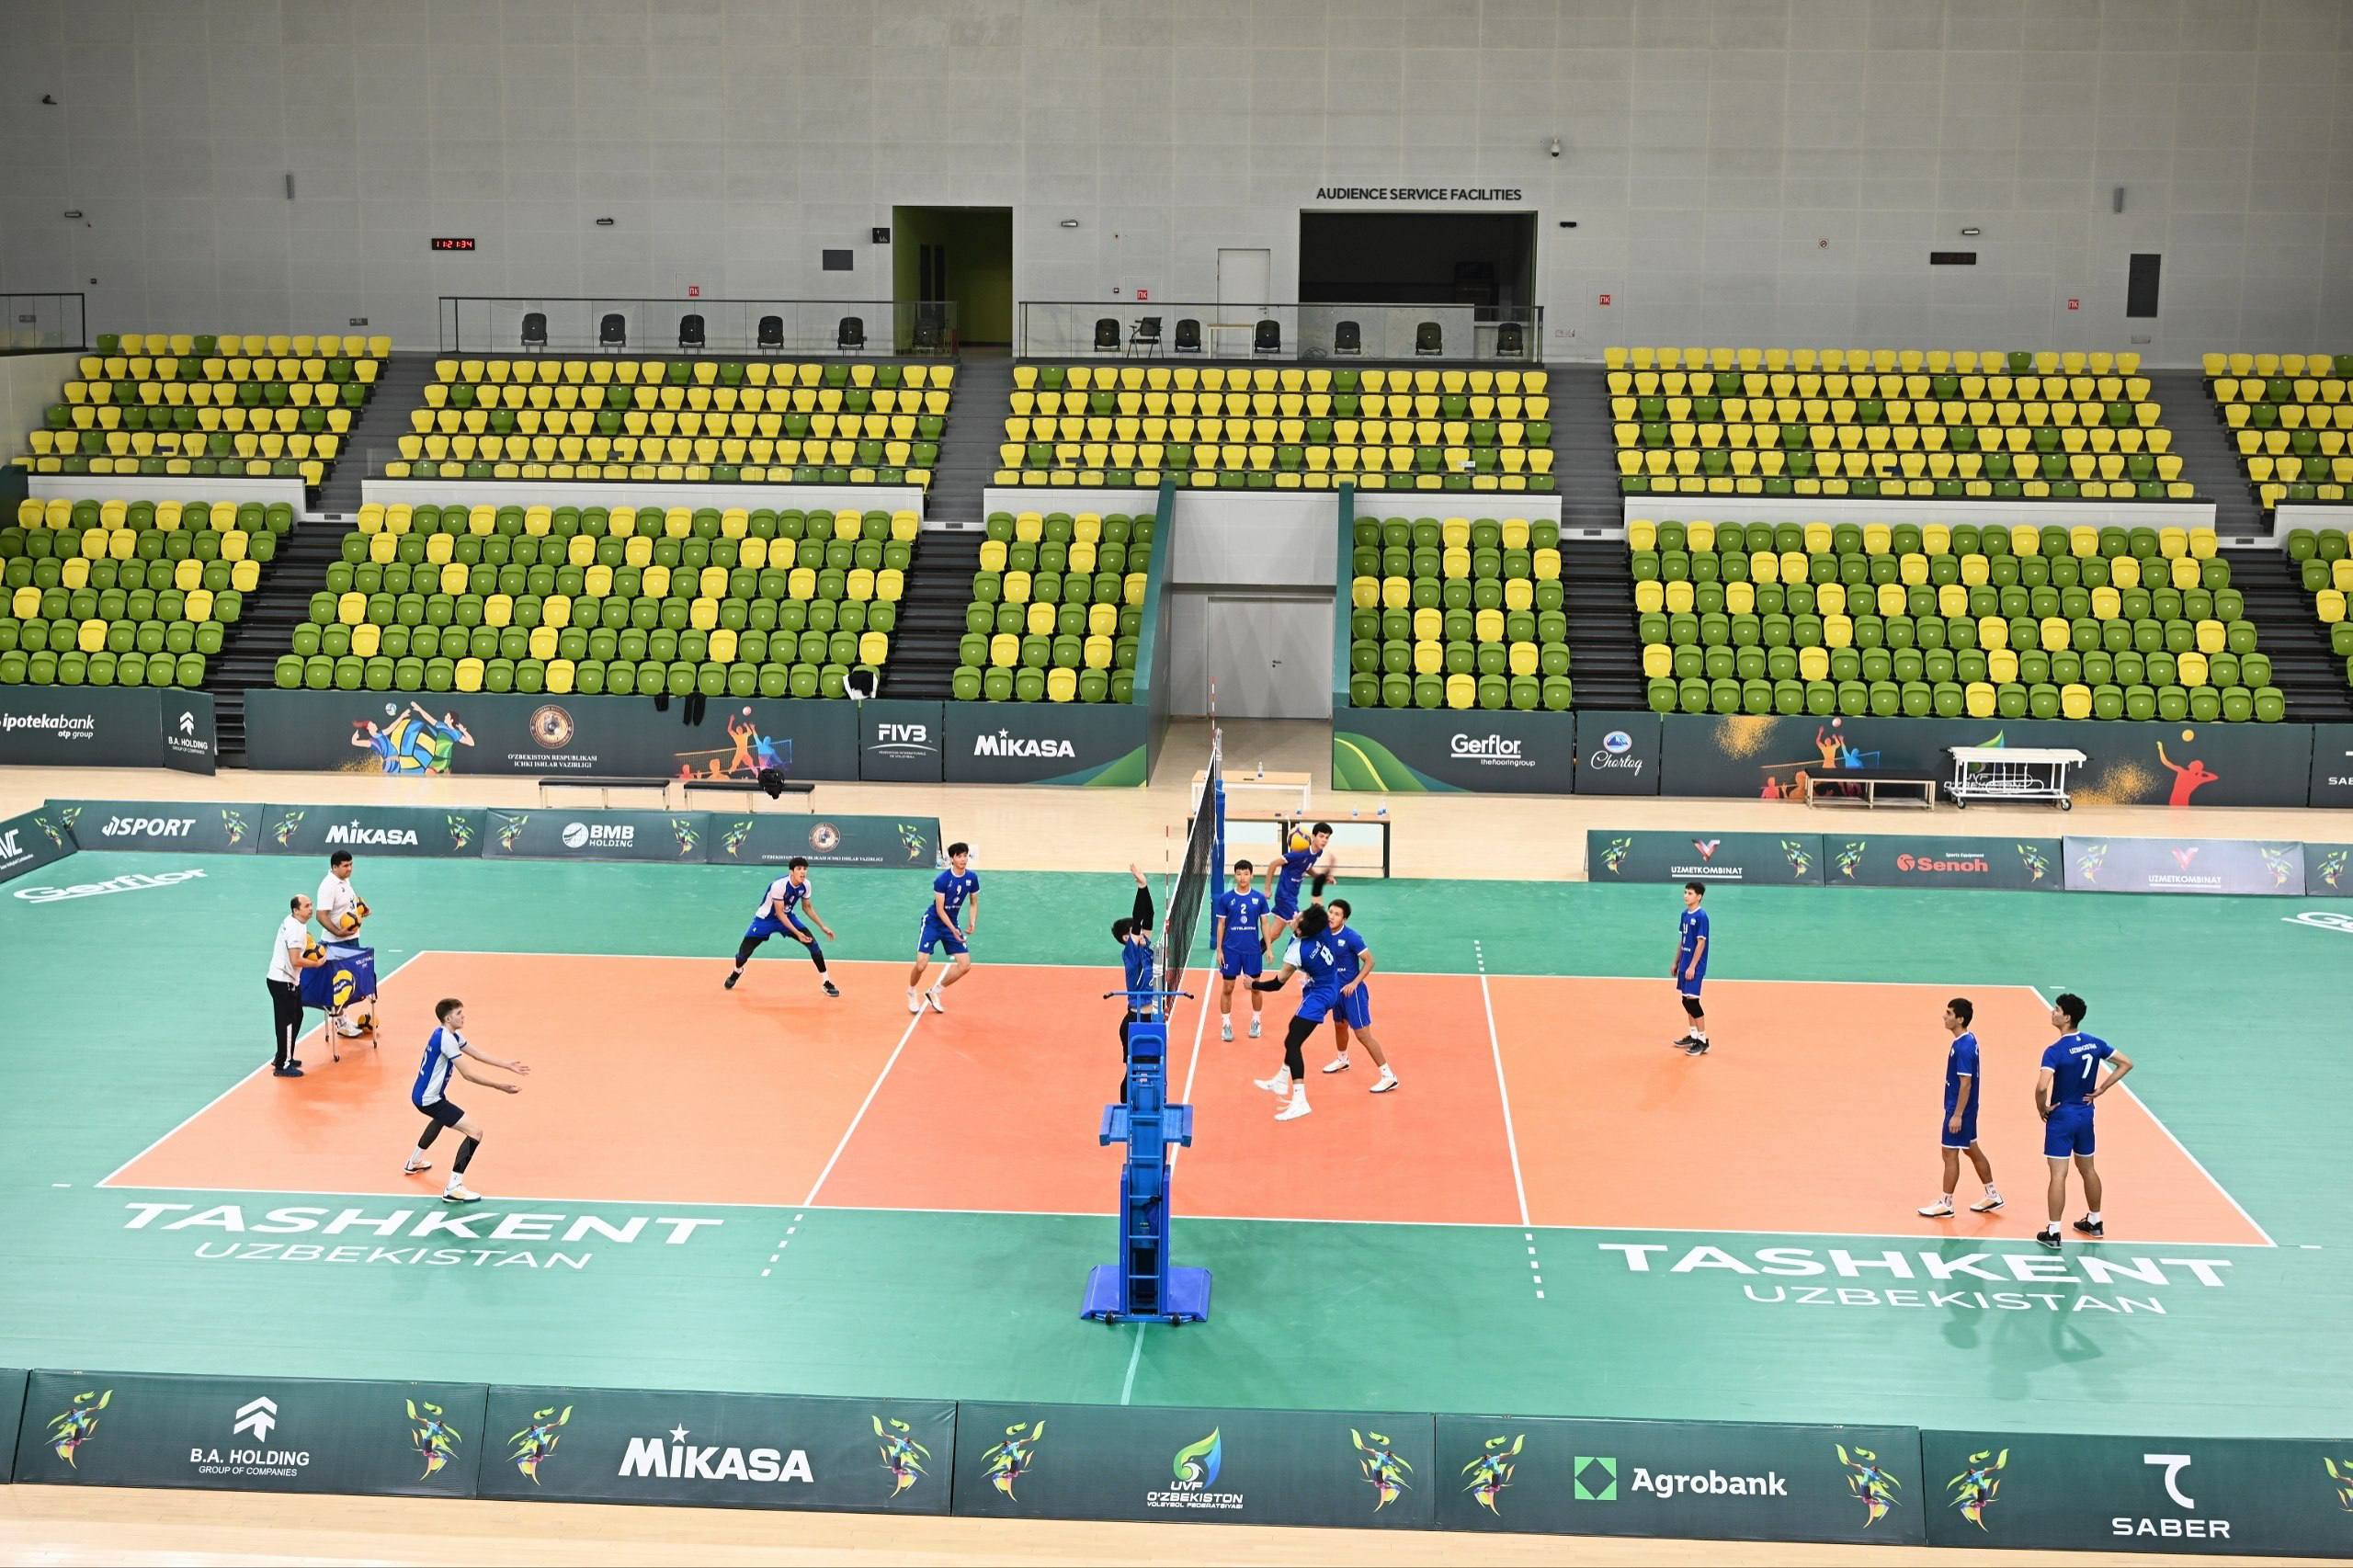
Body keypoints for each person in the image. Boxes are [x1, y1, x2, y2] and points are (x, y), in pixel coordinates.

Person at [404, 997, 530, 1205]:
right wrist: (499, 1086)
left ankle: (414, 1161)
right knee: (475, 1132)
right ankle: (453, 1187)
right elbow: (468, 1074)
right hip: (429, 1100)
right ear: (448, 1018)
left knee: (441, 1119)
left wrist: (506, 1065)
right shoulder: (446, 1040)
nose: (464, 1016)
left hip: (423, 1095)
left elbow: (477, 1055)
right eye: (459, 1013)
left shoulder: (447, 1034)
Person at [2033, 992, 2133, 1250]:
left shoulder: (2054, 1051)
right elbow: (2125, 1063)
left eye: (2057, 1009)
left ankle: (2054, 1231)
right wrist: (2102, 1089)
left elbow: (2042, 1086)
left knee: (2058, 1174)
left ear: (2067, 1017)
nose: (2053, 1012)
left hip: (2062, 1117)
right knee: (2088, 1168)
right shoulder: (2093, 1043)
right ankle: (2095, 1222)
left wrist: (2042, 1108)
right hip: (2085, 1114)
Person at [1247, 903, 1343, 1123]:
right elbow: (1318, 913)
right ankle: (1281, 1081)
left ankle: (1300, 1100)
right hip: (1328, 984)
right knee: (1293, 1031)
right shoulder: (1321, 928)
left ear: (1299, 930)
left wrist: (1253, 985)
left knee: (1292, 1043)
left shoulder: (1297, 952)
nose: (1296, 915)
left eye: (1299, 917)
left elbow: (1277, 984)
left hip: (1320, 996)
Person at [1919, 997, 2001, 1218]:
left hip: (1959, 1109)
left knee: (1949, 1152)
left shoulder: (1964, 1046)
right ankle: (1993, 1194)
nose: (1944, 1017)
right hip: (1967, 1109)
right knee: (1971, 1148)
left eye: (1949, 1013)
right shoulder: (1968, 1040)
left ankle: (1946, 1203)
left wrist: (1957, 1115)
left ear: (1960, 1019)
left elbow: (1966, 1083)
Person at [726, 856, 839, 996]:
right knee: (742, 955)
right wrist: (797, 933)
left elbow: (807, 907)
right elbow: (779, 914)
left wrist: (822, 926)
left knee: (813, 945)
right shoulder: (779, 885)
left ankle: (826, 982)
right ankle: (737, 970)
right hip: (765, 920)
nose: (803, 872)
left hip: (788, 917)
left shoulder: (806, 885)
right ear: (791, 871)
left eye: (805, 869)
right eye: (799, 869)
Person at [1319, 899, 1399, 1093]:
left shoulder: (1351, 937)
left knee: (1363, 1035)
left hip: (1352, 993)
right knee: (1340, 1026)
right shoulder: (1323, 934)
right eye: (1330, 912)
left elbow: (1370, 961)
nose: (1332, 916)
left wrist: (1354, 983)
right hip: (1335, 991)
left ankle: (1389, 1076)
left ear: (1344, 919)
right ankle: (1343, 1059)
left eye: (1337, 914)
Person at [908, 841, 979, 1014]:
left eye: (965, 856)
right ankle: (911, 991)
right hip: (933, 922)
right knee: (921, 964)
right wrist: (953, 930)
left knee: (965, 965)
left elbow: (973, 903)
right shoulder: (942, 880)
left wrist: (972, 921)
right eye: (959, 856)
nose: (963, 859)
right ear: (952, 859)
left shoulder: (972, 878)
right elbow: (940, 910)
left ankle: (935, 991)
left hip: (951, 922)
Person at [266, 894, 328, 1079]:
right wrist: (316, 964)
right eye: (307, 906)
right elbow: (295, 960)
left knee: (296, 1016)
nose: (311, 909)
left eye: (311, 905)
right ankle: (282, 1065)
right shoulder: (295, 929)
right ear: (296, 910)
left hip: (288, 980)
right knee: (287, 1022)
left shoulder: (297, 923)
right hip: (282, 981)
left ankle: (285, 1055)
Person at [1211, 859, 1270, 1042]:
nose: (1242, 877)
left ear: (1252, 875)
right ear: (1235, 875)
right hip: (1231, 950)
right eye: (1239, 874)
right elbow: (1221, 925)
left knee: (1255, 987)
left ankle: (1256, 1021)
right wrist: (1219, 950)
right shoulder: (1226, 899)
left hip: (1252, 951)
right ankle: (1226, 1024)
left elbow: (1265, 924)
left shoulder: (1259, 898)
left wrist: (1269, 948)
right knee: (1228, 987)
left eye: (1246, 873)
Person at [1110, 864, 1156, 1104]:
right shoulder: (1130, 953)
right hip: (1134, 1022)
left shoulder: (1145, 948)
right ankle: (1125, 1108)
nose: (1139, 934)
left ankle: (1145, 1107)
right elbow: (1139, 921)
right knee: (1134, 1071)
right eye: (1133, 932)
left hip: (1149, 1019)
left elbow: (1149, 916)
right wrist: (1141, 887)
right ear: (1125, 938)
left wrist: (1145, 889)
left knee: (1152, 1070)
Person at [314, 851, 371, 1039]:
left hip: (350, 939)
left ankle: (343, 1018)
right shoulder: (328, 886)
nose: (350, 869)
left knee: (351, 981)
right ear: (334, 867)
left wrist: (361, 910)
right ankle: (339, 1022)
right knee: (341, 984)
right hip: (336, 943)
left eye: (351, 865)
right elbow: (321, 915)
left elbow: (348, 905)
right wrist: (338, 932)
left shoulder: (344, 881)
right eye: (346, 866)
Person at [1264, 822, 1334, 952]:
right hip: (1284, 897)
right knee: (1303, 926)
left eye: (1327, 837)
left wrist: (1320, 877)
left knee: (1274, 934)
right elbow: (1273, 864)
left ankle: (1252, 954)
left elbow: (1306, 867)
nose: (1324, 840)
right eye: (1321, 836)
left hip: (1292, 896)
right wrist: (1267, 889)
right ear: (1313, 837)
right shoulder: (1298, 854)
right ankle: (1310, 958)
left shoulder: (1317, 853)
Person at [1671, 881, 1711, 1055]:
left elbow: (1701, 943)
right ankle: (1693, 1036)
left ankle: (1703, 1041)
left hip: (1695, 966)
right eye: (1685, 892)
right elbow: (1683, 940)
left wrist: (1693, 966)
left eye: (1690, 893)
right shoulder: (1684, 914)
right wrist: (1676, 961)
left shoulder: (1702, 916)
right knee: (1685, 1000)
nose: (1686, 896)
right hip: (1685, 964)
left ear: (1699, 896)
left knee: (1693, 1002)